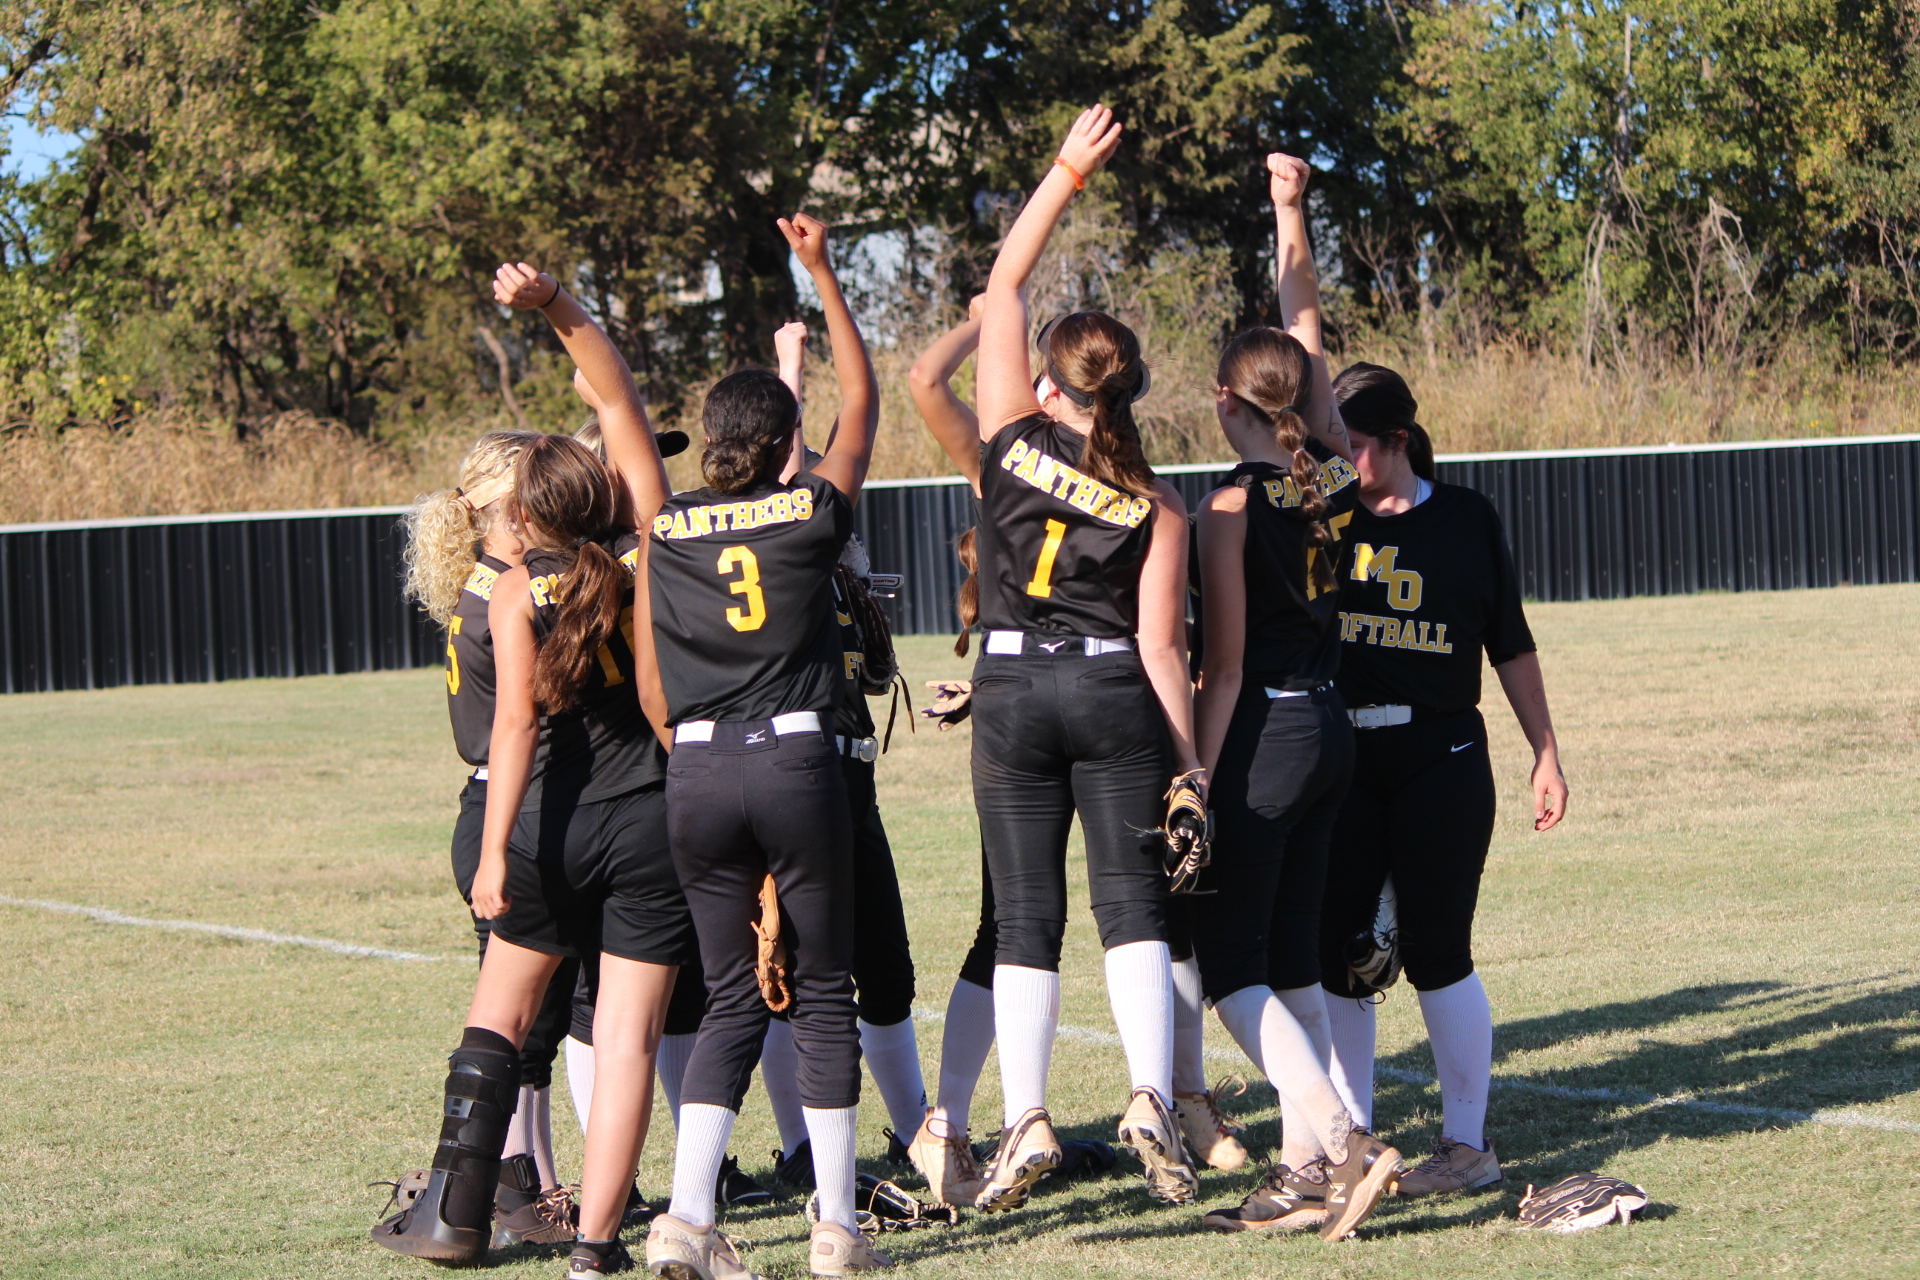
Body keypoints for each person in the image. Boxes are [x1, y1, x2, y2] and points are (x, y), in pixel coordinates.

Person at [371, 263, 687, 1280]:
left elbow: (510, 726)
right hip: (650, 819)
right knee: (625, 1039)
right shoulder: (648, 553)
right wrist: (560, 308)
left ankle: (455, 1215)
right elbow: (619, 399)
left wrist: (495, 853)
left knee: (498, 1019)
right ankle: (595, 1244)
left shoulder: (508, 590)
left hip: (548, 818)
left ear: (522, 517)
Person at [958, 103, 1199, 1213]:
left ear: (1055, 383)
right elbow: (1162, 644)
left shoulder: (1011, 440)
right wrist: (1188, 763)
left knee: (1024, 913)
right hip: (1110, 686)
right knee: (1132, 904)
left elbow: (1003, 285)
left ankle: (1027, 1117)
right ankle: (1151, 1096)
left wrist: (1064, 171)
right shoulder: (1157, 501)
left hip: (1011, 682)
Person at [641, 212, 887, 1280]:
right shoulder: (806, 515)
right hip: (795, 760)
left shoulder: (665, 527)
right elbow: (863, 403)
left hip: (696, 769)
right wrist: (823, 274)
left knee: (730, 991)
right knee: (822, 989)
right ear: (790, 444)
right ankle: (836, 1225)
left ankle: (686, 1218)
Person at [1188, 155, 1404, 1242]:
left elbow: (1222, 670)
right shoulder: (1332, 475)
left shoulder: (1228, 510)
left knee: (1234, 972)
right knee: (1293, 963)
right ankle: (1308, 1161)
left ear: (1223, 401)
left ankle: (1345, 1142)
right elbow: (1309, 338)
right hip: (1330, 730)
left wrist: (1194, 775)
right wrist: (1289, 212)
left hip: (1266, 734)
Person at [1317, 359, 1568, 1198]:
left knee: (1436, 950)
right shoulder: (1322, 517)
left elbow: (1511, 643)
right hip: (1343, 758)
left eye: (1353, 445)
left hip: (1441, 756)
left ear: (1397, 440)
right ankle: (1349, 1144)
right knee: (1340, 955)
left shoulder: (1464, 518)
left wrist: (1545, 752)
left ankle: (1466, 1146)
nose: (1339, 460)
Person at [902, 297, 1122, 1206]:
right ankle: (1168, 1106)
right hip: (1081, 702)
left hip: (1019, 699)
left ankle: (952, 1126)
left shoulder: (1019, 457)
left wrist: (983, 314)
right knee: (1106, 914)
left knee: (1015, 922)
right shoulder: (1119, 478)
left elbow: (925, 380)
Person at [758, 322, 931, 1191]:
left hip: (853, 778)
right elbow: (784, 459)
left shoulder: (834, 558)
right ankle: (802, 1149)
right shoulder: (781, 540)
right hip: (799, 776)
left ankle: (916, 1135)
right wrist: (789, 368)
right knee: (787, 975)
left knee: (887, 971)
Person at [398, 428, 577, 1248]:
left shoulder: (485, 580)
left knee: (532, 1020)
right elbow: (523, 722)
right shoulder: (504, 590)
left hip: (494, 803)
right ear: (510, 502)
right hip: (504, 806)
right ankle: (514, 1186)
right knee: (521, 1026)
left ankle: (526, 1182)